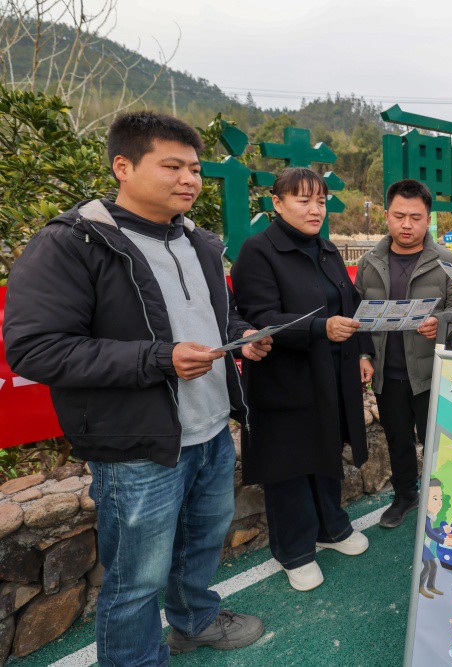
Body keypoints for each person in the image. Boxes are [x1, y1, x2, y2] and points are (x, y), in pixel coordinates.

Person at [2, 111, 270, 664]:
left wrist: (242, 337)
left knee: (201, 547)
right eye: (172, 166)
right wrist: (159, 359)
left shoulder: (199, 242)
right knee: (135, 580)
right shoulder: (72, 242)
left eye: (195, 169)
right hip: (135, 448)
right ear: (123, 166)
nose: (189, 179)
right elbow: (36, 348)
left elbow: (216, 318)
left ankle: (194, 622)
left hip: (211, 429)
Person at [230, 167, 372, 592]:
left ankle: (331, 527)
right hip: (284, 377)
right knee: (289, 463)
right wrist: (319, 328)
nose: (315, 210)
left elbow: (351, 304)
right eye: (303, 200)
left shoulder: (326, 249)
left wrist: (362, 351)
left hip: (330, 373)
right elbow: (261, 316)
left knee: (325, 450)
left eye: (321, 201)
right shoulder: (258, 251)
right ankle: (294, 550)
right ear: (277, 203)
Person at [354, 179, 452, 528]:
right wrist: (363, 355)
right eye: (399, 216)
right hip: (387, 372)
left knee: (438, 442)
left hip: (431, 371)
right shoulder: (370, 262)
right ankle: (405, 495)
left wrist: (441, 324)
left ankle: (445, 503)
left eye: (415, 217)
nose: (406, 224)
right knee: (398, 441)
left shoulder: (447, 261)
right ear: (386, 216)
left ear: (428, 219)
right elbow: (356, 312)